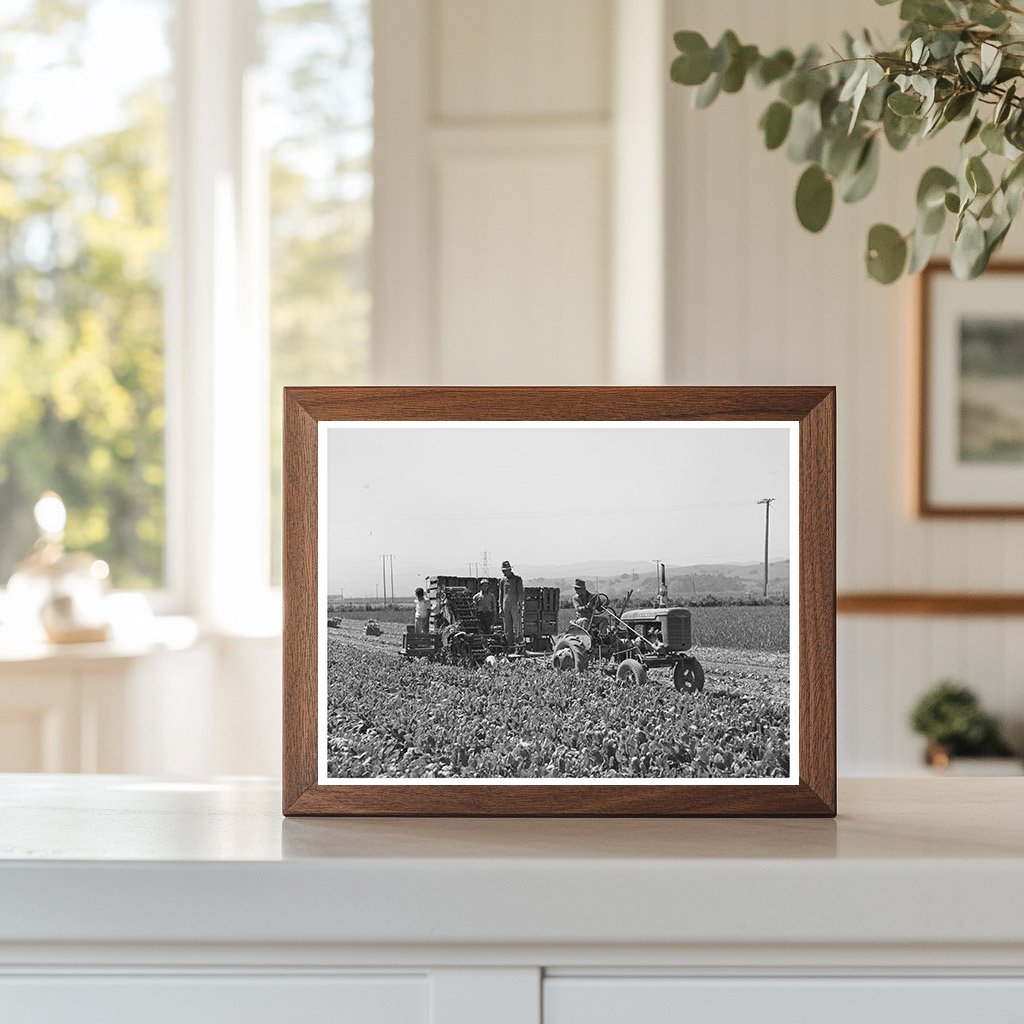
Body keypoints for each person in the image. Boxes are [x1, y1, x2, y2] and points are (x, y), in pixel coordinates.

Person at [499, 560, 523, 642]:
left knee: (517, 626)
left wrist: (520, 604)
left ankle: (518, 643)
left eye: (505, 571)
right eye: (503, 571)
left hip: (515, 605)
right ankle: (509, 644)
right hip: (505, 605)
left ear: (510, 570)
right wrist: (500, 608)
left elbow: (520, 593)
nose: (504, 573)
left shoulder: (517, 579)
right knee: (507, 626)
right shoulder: (502, 581)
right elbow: (501, 594)